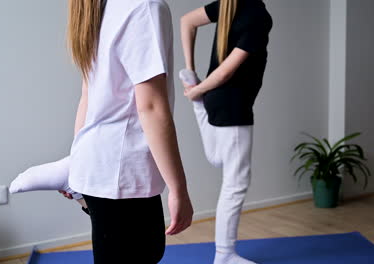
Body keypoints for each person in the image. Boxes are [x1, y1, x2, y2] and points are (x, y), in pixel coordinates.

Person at [48, 0, 193, 263]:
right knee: (145, 252)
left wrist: (77, 162)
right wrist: (179, 189)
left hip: (100, 166)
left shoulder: (103, 7)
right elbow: (150, 107)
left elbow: (87, 96)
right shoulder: (144, 7)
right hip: (123, 172)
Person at [180, 0, 272, 263]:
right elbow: (226, 72)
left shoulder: (231, 4)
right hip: (233, 104)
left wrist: (192, 75)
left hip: (215, 103)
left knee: (218, 158)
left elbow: (186, 21)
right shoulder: (257, 15)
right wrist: (197, 88)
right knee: (236, 183)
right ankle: (224, 255)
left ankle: (199, 106)